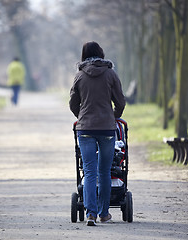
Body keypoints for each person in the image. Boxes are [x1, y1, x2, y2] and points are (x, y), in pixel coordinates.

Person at [69, 41, 126, 226]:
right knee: (104, 171)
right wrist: (113, 117)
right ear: (101, 53)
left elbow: (72, 103)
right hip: (107, 129)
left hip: (85, 129)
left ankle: (90, 214)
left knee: (89, 171)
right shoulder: (110, 74)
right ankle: (103, 213)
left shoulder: (79, 76)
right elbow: (121, 102)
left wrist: (82, 117)